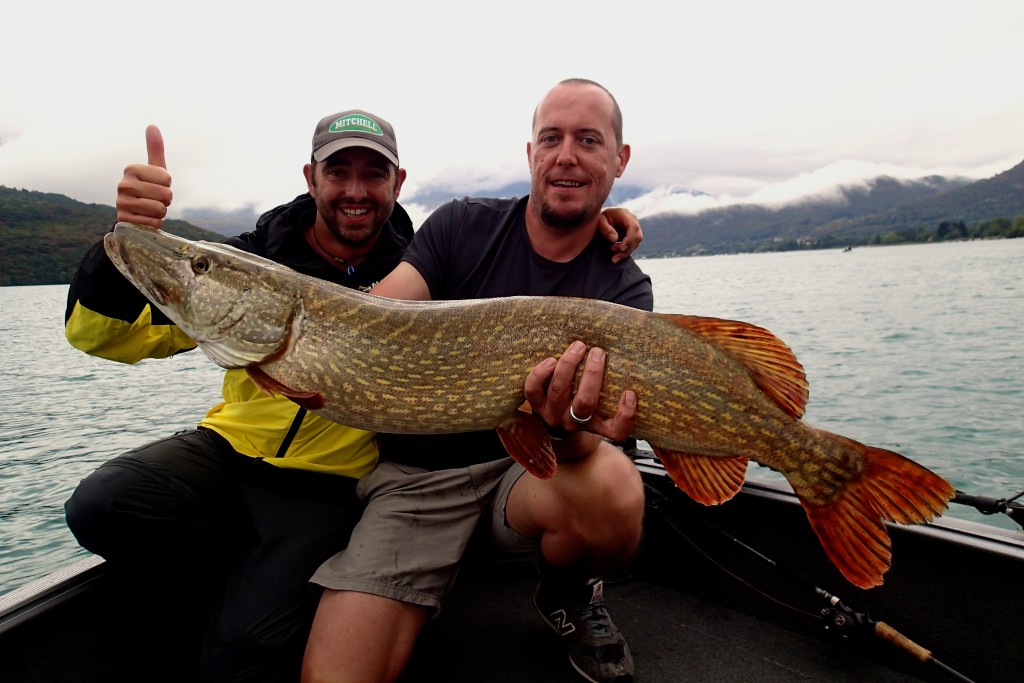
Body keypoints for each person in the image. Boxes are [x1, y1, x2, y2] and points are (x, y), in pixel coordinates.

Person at [63, 109, 644, 682]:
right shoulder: (255, 260)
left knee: (237, 662)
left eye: (374, 174)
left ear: (399, 183)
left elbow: (514, 267)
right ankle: (232, 582)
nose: (356, 191)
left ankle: (567, 592)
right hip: (233, 452)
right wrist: (127, 239)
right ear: (311, 178)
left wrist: (595, 219)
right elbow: (104, 336)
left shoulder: (423, 259)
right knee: (102, 504)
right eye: (338, 173)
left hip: (328, 488)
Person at [303, 78, 652, 683]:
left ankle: (567, 590)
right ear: (531, 154)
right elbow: (373, 321)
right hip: (418, 486)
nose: (566, 154)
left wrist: (563, 425)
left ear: (619, 160)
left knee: (616, 491)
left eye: (588, 140)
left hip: (530, 480)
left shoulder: (624, 286)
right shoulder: (462, 226)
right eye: (552, 138)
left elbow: (585, 446)